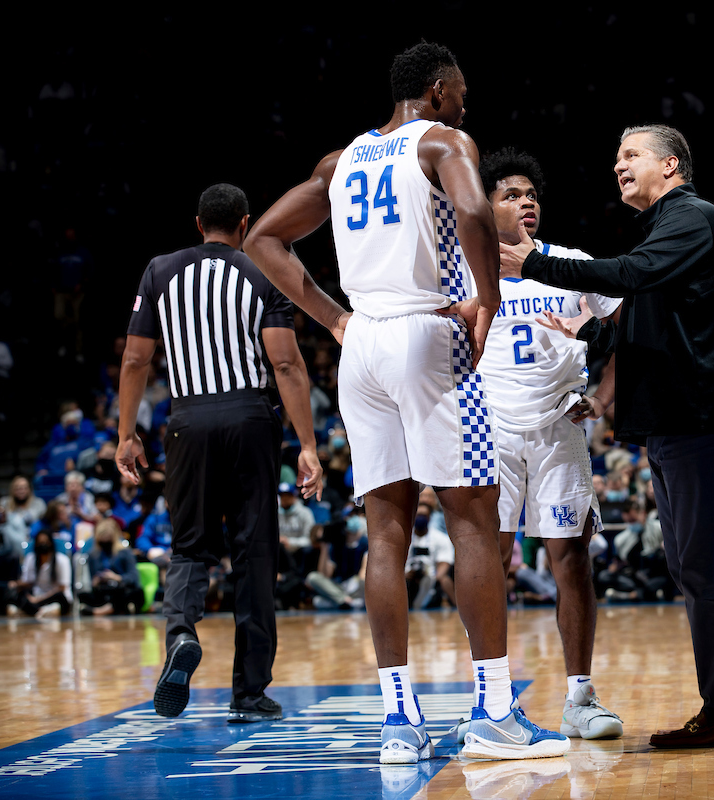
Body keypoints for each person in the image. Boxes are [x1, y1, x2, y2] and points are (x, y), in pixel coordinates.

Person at [243, 42, 568, 764]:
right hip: (428, 331)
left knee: (386, 532)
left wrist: (330, 318)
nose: (465, 103)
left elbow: (262, 238)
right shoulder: (445, 141)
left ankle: (399, 720)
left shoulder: (340, 161)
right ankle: (493, 710)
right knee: (474, 519)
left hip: (361, 347)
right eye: (463, 91)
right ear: (440, 89)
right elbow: (476, 211)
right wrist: (486, 301)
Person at [500, 123, 714, 749]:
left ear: (671, 165)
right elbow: (650, 318)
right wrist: (588, 338)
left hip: (699, 420)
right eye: (616, 155)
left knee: (706, 570)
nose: (618, 165)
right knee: (692, 569)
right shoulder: (664, 225)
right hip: (674, 423)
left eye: (631, 154)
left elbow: (631, 276)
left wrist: (536, 263)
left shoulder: (693, 217)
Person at [116, 182, 323, 725]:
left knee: (189, 546)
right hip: (251, 419)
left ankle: (182, 631)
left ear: (198, 224)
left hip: (187, 418)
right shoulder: (261, 272)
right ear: (246, 223)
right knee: (254, 554)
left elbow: (136, 361)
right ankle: (250, 694)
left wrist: (126, 433)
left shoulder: (159, 271)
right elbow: (285, 365)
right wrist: (306, 444)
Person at [476, 147, 624, 740]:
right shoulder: (464, 268)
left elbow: (626, 318)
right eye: (510, 194)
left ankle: (579, 698)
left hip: (560, 429)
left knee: (572, 560)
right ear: (485, 207)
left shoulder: (569, 263)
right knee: (488, 563)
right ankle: (491, 701)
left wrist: (605, 399)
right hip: (490, 431)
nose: (526, 202)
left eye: (531, 194)